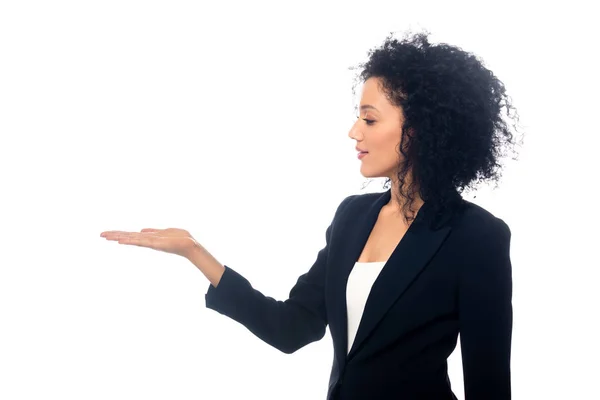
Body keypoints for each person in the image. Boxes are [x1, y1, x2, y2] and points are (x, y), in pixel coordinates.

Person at [101, 30, 521, 400]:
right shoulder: (353, 217)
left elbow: (489, 387)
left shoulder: (475, 236)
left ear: (419, 129)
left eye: (369, 118)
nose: (354, 131)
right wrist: (196, 253)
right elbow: (292, 327)